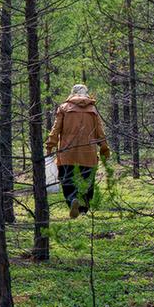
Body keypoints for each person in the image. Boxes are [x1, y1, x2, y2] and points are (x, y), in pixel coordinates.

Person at [45, 84, 110, 219]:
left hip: (67, 152)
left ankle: (72, 200)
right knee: (87, 181)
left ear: (72, 93)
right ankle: (83, 210)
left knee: (67, 179)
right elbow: (100, 132)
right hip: (88, 153)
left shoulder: (64, 108)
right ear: (86, 93)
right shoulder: (93, 109)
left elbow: (56, 129)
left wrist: (50, 145)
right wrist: (104, 148)